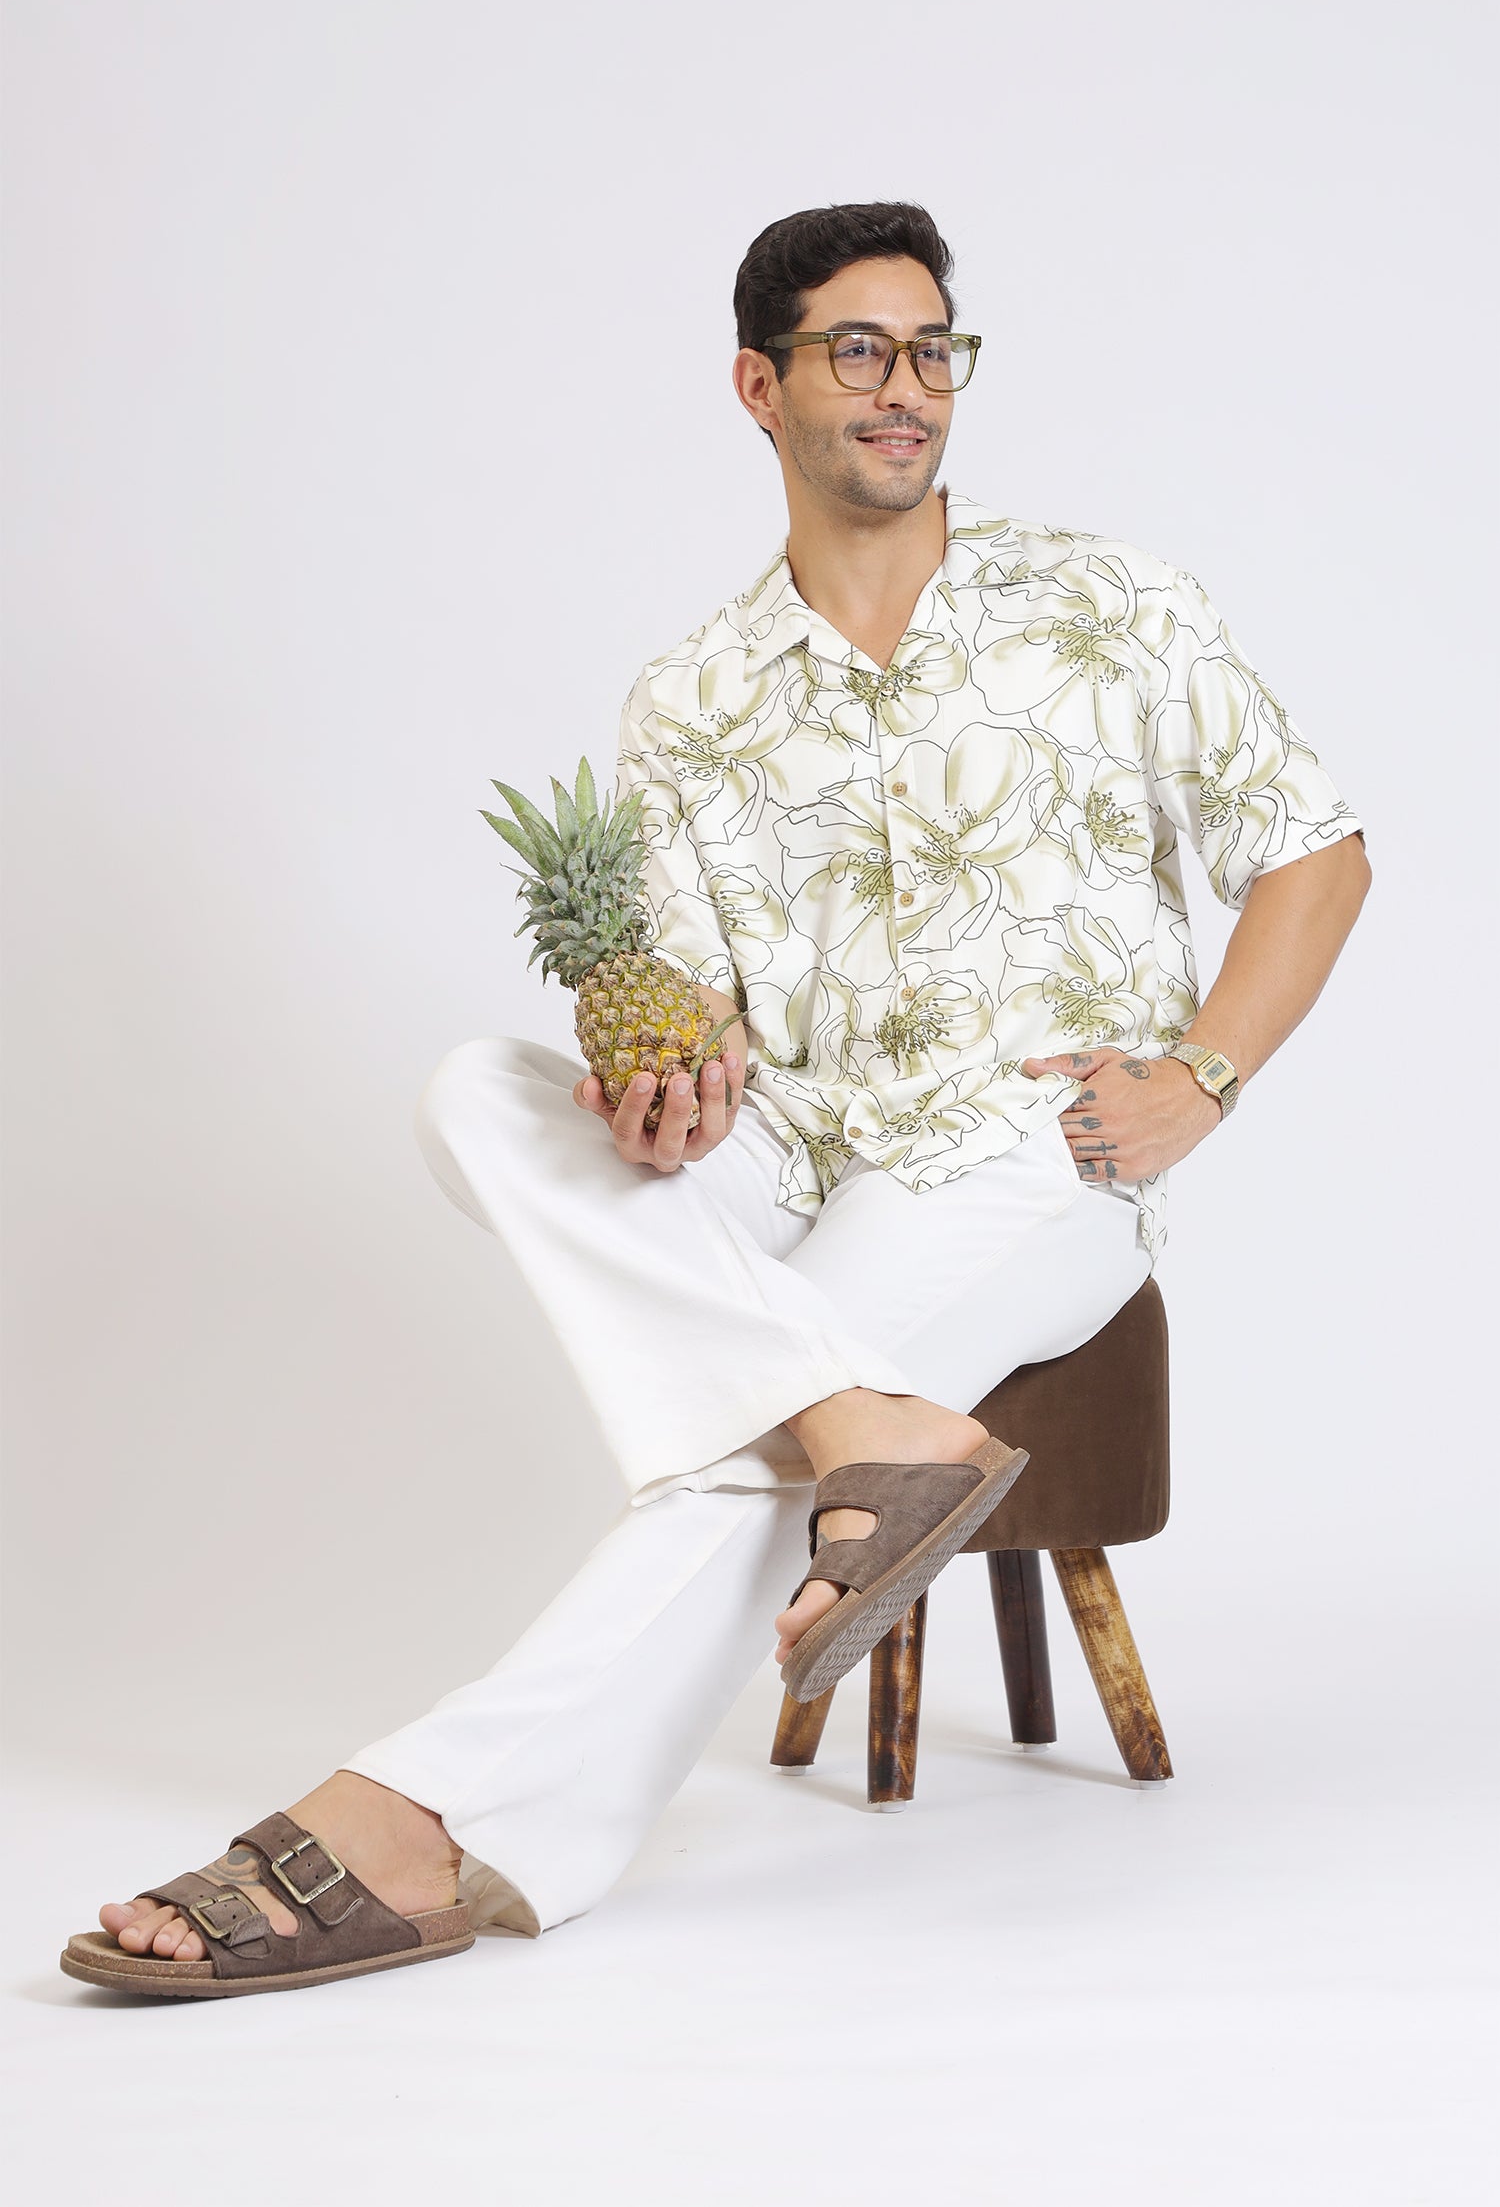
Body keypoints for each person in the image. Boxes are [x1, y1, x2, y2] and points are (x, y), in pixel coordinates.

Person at [62, 201, 1371, 1996]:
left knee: (740, 1452)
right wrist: (669, 1097)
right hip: (804, 1143)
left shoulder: (1112, 602)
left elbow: (1315, 850)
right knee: (476, 1091)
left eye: (934, 350)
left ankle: (426, 1816)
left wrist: (1203, 1076)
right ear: (761, 386)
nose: (907, 388)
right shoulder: (689, 698)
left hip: (1030, 1145)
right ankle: (862, 1424)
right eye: (860, 350)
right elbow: (706, 1019)